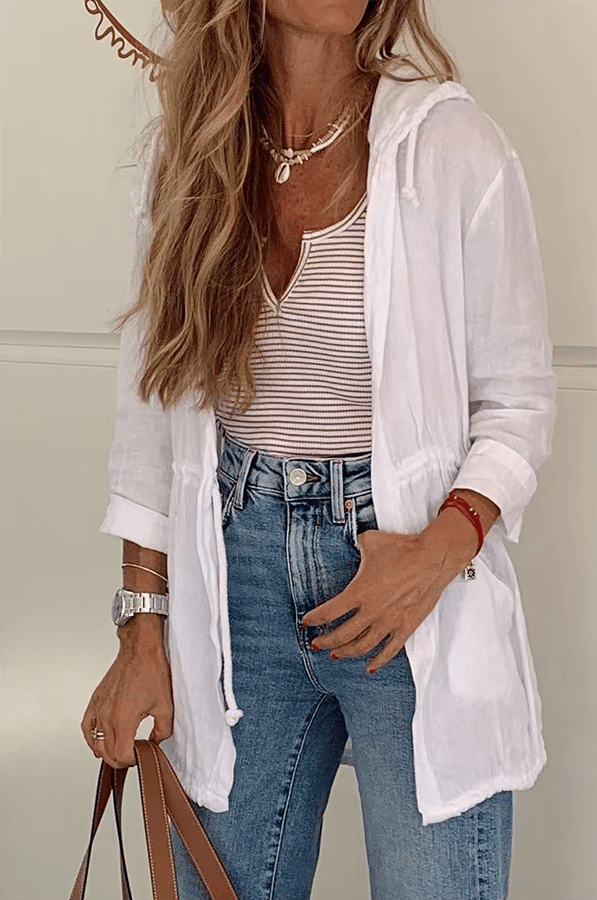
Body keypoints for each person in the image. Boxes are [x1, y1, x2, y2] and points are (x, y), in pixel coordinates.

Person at [81, 1, 558, 897]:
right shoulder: (188, 155)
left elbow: (517, 403)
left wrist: (435, 551)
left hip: (405, 582)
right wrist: (142, 630)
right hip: (234, 589)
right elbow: (152, 410)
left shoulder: (451, 149)